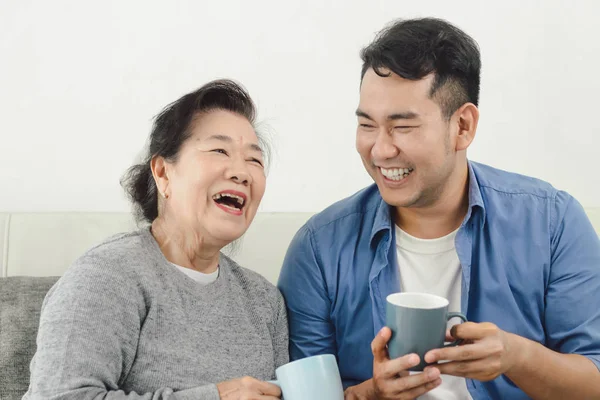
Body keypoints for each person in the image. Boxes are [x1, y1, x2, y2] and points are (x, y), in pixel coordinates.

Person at [277, 17, 600, 400]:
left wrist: (517, 356)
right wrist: (372, 394)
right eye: (367, 125)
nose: (380, 150)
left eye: (403, 127)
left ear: (462, 125)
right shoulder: (319, 248)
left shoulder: (552, 222)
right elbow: (305, 395)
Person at [24, 79, 287, 399]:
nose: (241, 172)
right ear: (163, 173)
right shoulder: (107, 276)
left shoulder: (264, 301)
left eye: (254, 160)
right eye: (220, 150)